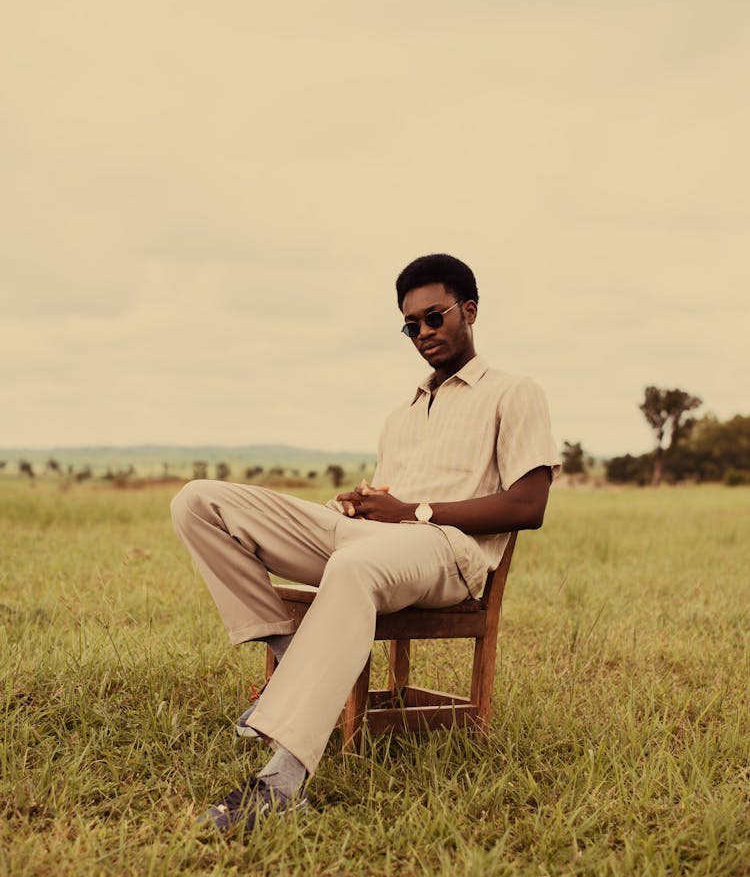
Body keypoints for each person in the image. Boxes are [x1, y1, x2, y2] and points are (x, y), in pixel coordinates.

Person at [170, 253, 560, 831]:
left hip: (448, 554)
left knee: (352, 565)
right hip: (375, 541)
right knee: (199, 502)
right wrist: (360, 505)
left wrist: (412, 511)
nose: (423, 333)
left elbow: (529, 506)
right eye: (411, 326)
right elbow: (388, 504)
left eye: (434, 317)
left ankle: (282, 781)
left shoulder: (513, 392)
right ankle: (291, 654)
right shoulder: (400, 413)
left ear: (469, 311)